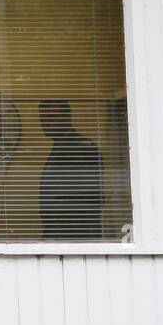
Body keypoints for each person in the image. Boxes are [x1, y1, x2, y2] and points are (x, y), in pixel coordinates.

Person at [37, 99, 105, 240]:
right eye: (42, 118)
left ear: (67, 117)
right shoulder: (61, 145)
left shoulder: (81, 147)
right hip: (60, 233)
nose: (46, 123)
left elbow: (85, 198)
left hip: (75, 235)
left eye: (51, 117)